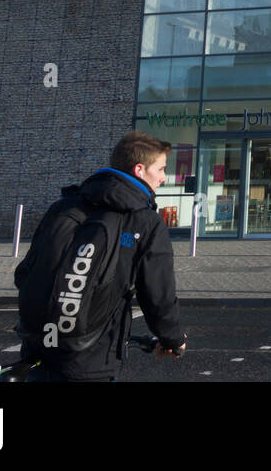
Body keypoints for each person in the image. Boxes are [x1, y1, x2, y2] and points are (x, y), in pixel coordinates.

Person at [15, 131, 186, 380]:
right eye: (160, 169)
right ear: (140, 170)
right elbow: (158, 294)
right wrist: (173, 339)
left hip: (37, 347)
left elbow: (25, 273)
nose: (163, 177)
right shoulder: (144, 221)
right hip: (91, 357)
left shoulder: (64, 205)